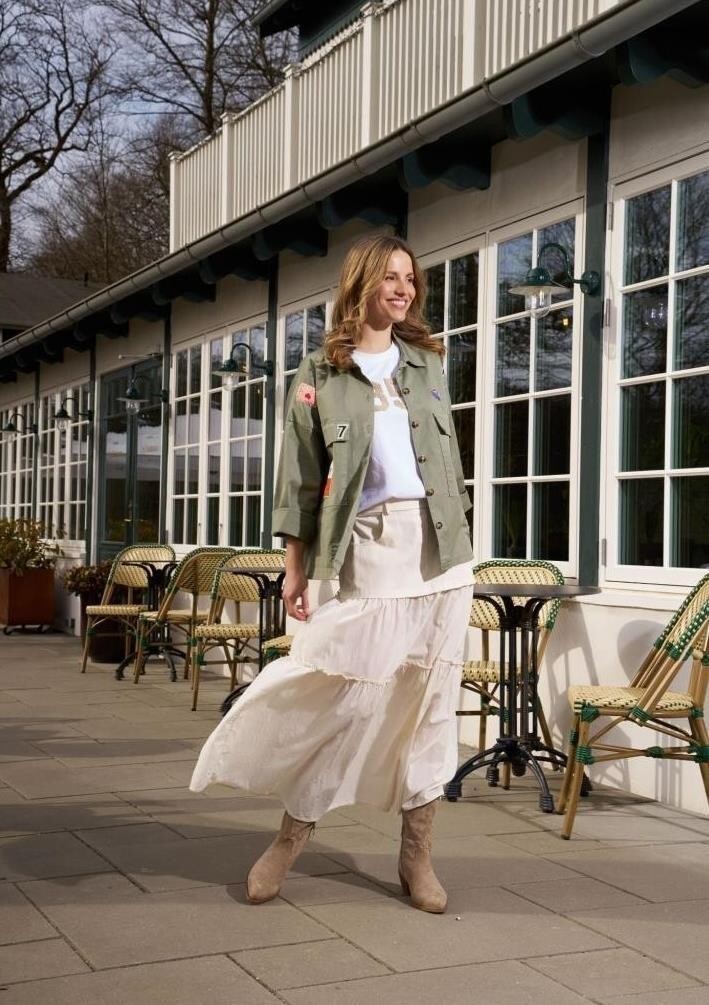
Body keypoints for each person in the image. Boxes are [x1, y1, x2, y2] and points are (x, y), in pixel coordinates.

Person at [190, 234, 474, 913]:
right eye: (391, 277)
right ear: (362, 284)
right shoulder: (320, 373)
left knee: (432, 708)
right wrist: (295, 568)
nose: (404, 289)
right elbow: (297, 478)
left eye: (411, 278)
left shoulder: (429, 363)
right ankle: (289, 840)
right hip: (370, 552)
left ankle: (417, 855)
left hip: (443, 555)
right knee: (347, 703)